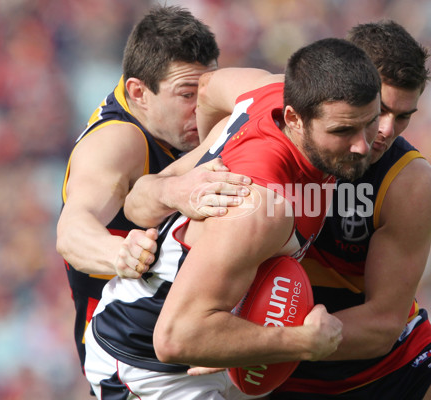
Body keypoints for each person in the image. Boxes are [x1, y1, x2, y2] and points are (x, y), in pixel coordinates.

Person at [83, 38, 382, 399]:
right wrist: (302, 342)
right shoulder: (256, 209)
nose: (362, 145)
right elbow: (176, 338)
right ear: (294, 119)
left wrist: (207, 148)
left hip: (206, 346)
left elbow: (208, 87)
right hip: (148, 366)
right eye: (342, 131)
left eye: (370, 123)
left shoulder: (266, 90)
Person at [269, 21, 431, 399]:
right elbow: (210, 90)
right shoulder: (275, 127)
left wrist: (270, 343)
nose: (386, 129)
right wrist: (158, 197)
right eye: (379, 109)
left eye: (403, 116)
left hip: (382, 364)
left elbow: (382, 323)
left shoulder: (408, 181)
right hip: (271, 363)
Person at [55, 5, 250, 378]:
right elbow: (72, 230)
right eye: (187, 94)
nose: (201, 108)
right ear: (139, 92)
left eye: (207, 90)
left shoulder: (184, 121)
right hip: (128, 358)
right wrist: (120, 253)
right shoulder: (117, 142)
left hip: (194, 333)